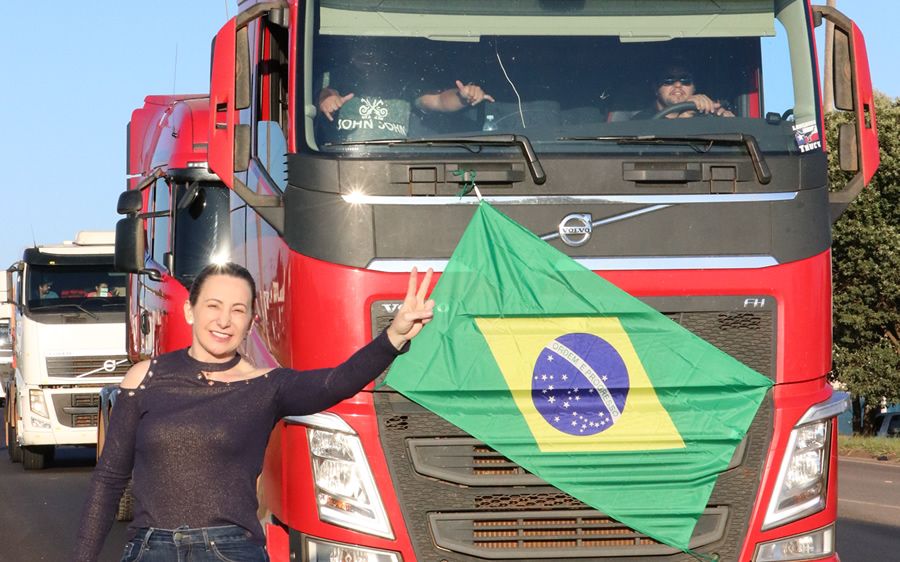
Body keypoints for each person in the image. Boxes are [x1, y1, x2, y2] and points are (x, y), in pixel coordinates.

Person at [73, 262, 435, 562]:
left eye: (238, 310)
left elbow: (336, 383)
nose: (224, 320)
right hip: (151, 550)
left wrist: (394, 336)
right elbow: (109, 479)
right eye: (213, 306)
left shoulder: (267, 386)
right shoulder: (144, 377)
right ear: (189, 310)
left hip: (229, 550)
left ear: (250, 321)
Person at [632, 61, 734, 119]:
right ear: (655, 88)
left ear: (694, 88)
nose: (677, 84)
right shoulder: (641, 121)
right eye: (669, 80)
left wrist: (724, 120)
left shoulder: (706, 118)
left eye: (685, 80)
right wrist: (684, 117)